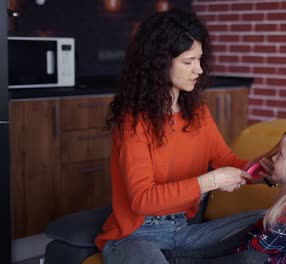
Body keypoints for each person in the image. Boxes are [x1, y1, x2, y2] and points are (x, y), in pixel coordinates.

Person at [95, 8, 265, 264]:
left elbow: (225, 159)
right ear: (160, 63)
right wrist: (210, 181)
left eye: (199, 60)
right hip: (135, 236)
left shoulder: (198, 113)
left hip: (183, 231)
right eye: (188, 62)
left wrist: (265, 171)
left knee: (273, 218)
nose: (198, 69)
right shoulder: (134, 121)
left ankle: (181, 258)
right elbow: (143, 200)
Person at [164, 128, 286, 264]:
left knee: (249, 258)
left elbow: (254, 251)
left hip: (277, 256)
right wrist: (258, 173)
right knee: (257, 227)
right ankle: (184, 257)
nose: (272, 158)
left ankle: (184, 259)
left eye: (280, 154)